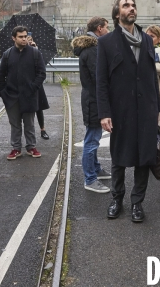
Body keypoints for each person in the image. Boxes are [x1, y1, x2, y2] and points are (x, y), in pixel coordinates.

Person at [96, 0, 160, 223]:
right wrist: (104, 113)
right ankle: (117, 199)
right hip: (120, 111)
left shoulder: (147, 40)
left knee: (144, 157)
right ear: (117, 14)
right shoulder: (106, 43)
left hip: (146, 110)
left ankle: (137, 203)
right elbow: (101, 81)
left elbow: (151, 75)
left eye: (133, 5)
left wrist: (157, 108)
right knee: (119, 158)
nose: (131, 8)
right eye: (126, 5)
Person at [71, 16, 112, 193]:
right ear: (100, 29)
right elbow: (99, 78)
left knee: (93, 136)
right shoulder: (93, 50)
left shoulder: (88, 48)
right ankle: (90, 179)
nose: (108, 31)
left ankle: (95, 169)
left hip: (92, 98)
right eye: (107, 27)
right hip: (94, 100)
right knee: (92, 140)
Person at [0, 26, 46, 160]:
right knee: (15, 124)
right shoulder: (7, 54)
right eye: (21, 36)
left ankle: (31, 147)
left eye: (25, 36)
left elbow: (41, 73)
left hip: (29, 95)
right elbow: (1, 75)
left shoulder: (35, 53)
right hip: (11, 96)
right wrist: (3, 93)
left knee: (29, 123)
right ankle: (16, 148)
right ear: (14, 38)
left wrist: (33, 87)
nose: (24, 38)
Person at [26, 34, 50, 140]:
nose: (28, 41)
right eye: (27, 39)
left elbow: (41, 67)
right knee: (26, 110)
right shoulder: (19, 52)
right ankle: (28, 132)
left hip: (36, 84)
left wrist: (36, 50)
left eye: (30, 39)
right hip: (25, 84)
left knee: (39, 108)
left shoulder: (36, 52)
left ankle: (43, 129)